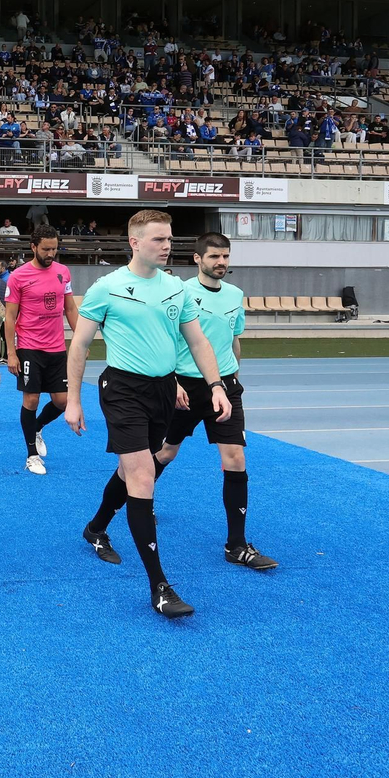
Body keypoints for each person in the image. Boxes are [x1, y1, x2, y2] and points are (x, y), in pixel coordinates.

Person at [63, 210, 234, 619]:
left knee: (129, 472)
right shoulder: (108, 288)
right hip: (122, 389)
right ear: (135, 242)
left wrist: (215, 386)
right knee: (142, 476)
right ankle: (160, 587)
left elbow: (197, 342)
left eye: (170, 239)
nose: (167, 245)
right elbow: (80, 346)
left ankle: (96, 526)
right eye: (159, 239)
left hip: (163, 390)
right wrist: (73, 400)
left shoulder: (176, 288)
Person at [146, 232, 276, 570]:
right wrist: (172, 381)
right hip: (186, 387)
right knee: (166, 451)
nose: (221, 263)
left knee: (235, 457)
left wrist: (234, 377)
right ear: (197, 259)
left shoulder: (235, 295)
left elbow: (234, 341)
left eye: (225, 257)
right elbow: (167, 340)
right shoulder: (181, 292)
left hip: (226, 388)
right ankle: (142, 500)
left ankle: (236, 545)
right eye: (214, 257)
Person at [4, 226, 79, 475]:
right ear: (33, 247)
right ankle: (31, 455)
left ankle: (37, 427)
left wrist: (79, 341)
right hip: (29, 347)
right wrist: (12, 353)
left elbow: (70, 309)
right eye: (46, 249)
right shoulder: (18, 276)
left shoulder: (63, 272)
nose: (51, 253)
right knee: (32, 399)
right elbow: (10, 317)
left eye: (55, 248)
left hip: (56, 347)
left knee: (62, 401)